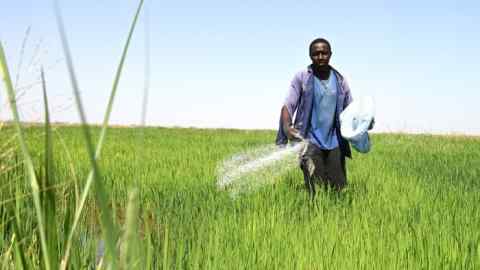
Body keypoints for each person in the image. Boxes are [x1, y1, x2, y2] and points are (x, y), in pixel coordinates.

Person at [276, 38, 371, 198]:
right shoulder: (302, 77)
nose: (320, 57)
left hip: (335, 142)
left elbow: (351, 110)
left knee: (339, 188)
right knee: (315, 189)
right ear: (310, 55)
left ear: (330, 54)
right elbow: (288, 105)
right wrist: (287, 126)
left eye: (324, 53)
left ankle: (338, 220)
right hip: (310, 141)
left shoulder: (340, 81)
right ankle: (314, 218)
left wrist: (366, 123)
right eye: (316, 54)